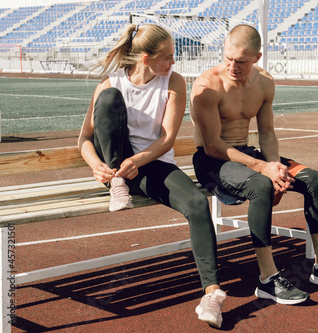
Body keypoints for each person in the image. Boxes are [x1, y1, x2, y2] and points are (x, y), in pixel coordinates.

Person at [190, 24, 318, 305]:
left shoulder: (264, 82)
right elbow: (213, 146)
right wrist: (263, 169)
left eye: (241, 61)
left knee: (316, 180)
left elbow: (266, 132)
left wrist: (275, 166)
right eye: (228, 58)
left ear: (257, 57)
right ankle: (268, 279)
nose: (232, 66)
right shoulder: (207, 86)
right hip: (213, 161)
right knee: (260, 183)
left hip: (249, 155)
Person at [78, 23, 225, 328]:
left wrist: (137, 161)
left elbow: (167, 139)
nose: (173, 62)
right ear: (146, 58)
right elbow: (84, 140)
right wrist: (97, 165)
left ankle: (211, 294)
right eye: (168, 57)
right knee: (109, 100)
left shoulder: (174, 82)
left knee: (198, 205)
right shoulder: (110, 83)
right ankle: (116, 182)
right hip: (118, 166)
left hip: (152, 163)